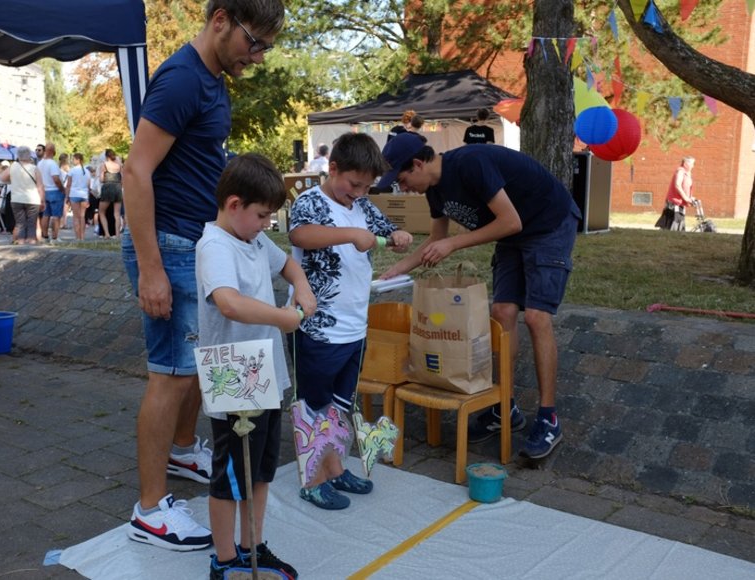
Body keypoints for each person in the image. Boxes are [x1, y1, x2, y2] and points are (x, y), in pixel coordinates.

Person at [121, 0, 286, 554]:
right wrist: (151, 269)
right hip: (167, 243)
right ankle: (148, 510)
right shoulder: (183, 78)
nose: (257, 57)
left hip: (193, 243)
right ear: (220, 20)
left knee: (198, 362)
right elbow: (135, 169)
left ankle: (183, 446)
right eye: (254, 42)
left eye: (264, 46)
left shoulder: (213, 82)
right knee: (169, 374)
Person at [376, 133, 580, 460]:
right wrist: (398, 269)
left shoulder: (470, 163)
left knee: (537, 316)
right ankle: (505, 407)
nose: (403, 188)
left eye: (402, 180)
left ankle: (548, 416)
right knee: (501, 312)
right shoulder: (434, 190)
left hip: (548, 223)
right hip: (515, 233)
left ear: (417, 164)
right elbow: (436, 239)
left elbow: (509, 221)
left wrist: (454, 245)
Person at [197, 153, 315, 579]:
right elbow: (228, 302)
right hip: (232, 376)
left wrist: (300, 286)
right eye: (262, 215)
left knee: (261, 468)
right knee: (230, 476)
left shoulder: (253, 239)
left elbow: (286, 264)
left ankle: (253, 545)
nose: (268, 224)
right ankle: (224, 558)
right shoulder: (214, 245)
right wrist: (281, 317)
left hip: (264, 372)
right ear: (234, 205)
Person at [289, 132, 413, 510]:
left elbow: (384, 229)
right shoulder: (310, 201)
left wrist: (397, 235)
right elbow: (301, 235)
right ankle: (313, 479)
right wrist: (352, 234)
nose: (358, 192)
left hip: (353, 325)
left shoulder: (362, 205)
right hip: (317, 326)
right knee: (314, 405)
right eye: (353, 184)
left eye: (366, 186)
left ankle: (336, 467)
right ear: (333, 168)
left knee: (340, 405)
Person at [0, 146, 44, 245]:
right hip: (33, 199)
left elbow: (1, 178)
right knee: (32, 224)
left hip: (16, 199)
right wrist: (42, 200)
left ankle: (20, 244)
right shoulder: (34, 168)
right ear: (29, 156)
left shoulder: (13, 166)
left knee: (20, 223)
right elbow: (40, 186)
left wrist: (12, 180)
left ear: (18, 156)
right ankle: (31, 244)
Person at [655, 156, 695, 231]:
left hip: (681, 201)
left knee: (678, 221)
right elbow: (677, 185)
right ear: (686, 164)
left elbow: (687, 187)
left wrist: (690, 197)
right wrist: (686, 198)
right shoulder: (680, 171)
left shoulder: (687, 173)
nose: (693, 166)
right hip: (674, 201)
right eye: (692, 164)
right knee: (672, 222)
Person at [37, 143, 66, 243]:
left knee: (46, 215)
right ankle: (55, 237)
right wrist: (62, 189)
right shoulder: (52, 164)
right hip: (54, 191)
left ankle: (44, 236)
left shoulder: (40, 163)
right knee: (56, 216)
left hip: (44, 191)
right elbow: (56, 179)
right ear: (53, 152)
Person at [98, 149, 123, 238]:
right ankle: (117, 234)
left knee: (101, 212)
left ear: (106, 156)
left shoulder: (104, 164)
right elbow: (122, 178)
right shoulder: (119, 165)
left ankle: (107, 234)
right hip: (117, 188)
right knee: (117, 213)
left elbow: (101, 179)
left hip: (107, 187)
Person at [66, 153, 90, 241]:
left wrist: (67, 196)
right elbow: (88, 185)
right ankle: (83, 237)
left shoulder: (72, 171)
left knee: (76, 217)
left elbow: (68, 184)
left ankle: (77, 237)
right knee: (82, 216)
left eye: (74, 159)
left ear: (78, 160)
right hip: (84, 195)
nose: (73, 161)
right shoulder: (86, 171)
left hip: (74, 194)